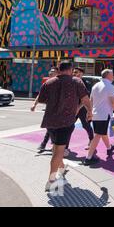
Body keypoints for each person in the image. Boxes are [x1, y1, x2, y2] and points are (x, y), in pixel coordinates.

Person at [36, 61, 93, 192]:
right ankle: (51, 181)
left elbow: (42, 99)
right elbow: (85, 99)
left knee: (56, 148)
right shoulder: (76, 82)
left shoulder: (49, 82)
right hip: (65, 121)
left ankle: (62, 169)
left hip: (50, 121)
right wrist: (90, 112)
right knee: (58, 152)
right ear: (70, 69)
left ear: (59, 70)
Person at [84, 69, 114, 166]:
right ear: (107, 75)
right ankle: (89, 157)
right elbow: (113, 102)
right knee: (98, 135)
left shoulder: (95, 86)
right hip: (104, 115)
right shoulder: (110, 86)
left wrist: (89, 112)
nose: (113, 76)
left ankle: (109, 148)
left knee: (101, 133)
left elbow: (91, 100)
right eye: (112, 75)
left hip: (96, 114)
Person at [33, 67, 60, 153]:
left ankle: (47, 144)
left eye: (53, 71)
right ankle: (47, 143)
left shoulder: (61, 82)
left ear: (58, 73)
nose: (50, 73)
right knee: (50, 126)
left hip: (59, 109)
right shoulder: (47, 82)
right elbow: (40, 95)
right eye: (50, 71)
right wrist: (34, 105)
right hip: (50, 109)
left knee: (51, 127)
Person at [72, 67, 94, 149]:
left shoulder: (86, 83)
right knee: (69, 126)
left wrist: (78, 108)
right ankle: (64, 145)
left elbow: (86, 98)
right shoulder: (72, 82)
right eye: (73, 72)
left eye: (76, 72)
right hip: (73, 108)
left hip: (83, 108)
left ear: (81, 74)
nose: (74, 73)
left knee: (86, 125)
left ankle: (92, 140)